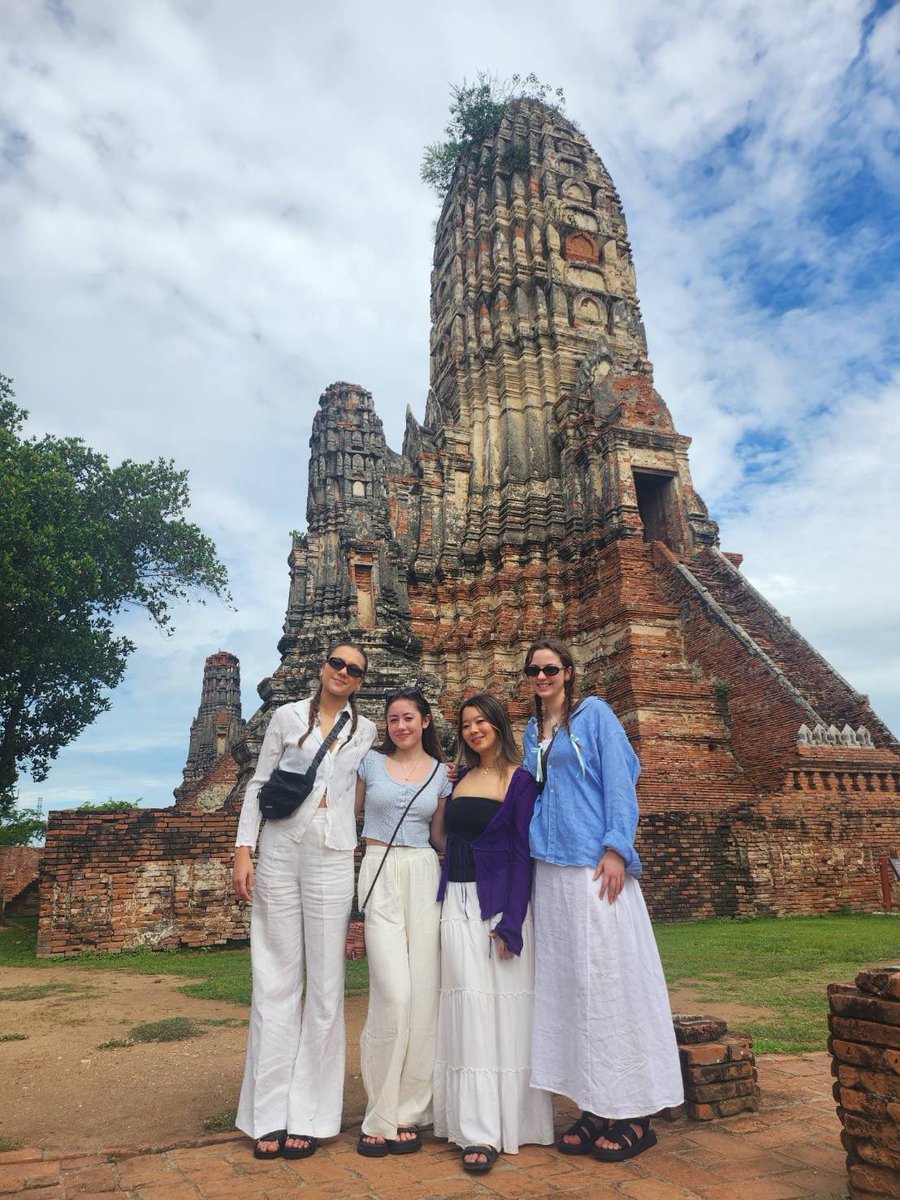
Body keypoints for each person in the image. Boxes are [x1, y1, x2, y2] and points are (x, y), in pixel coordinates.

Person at [522, 637, 684, 1163]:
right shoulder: (532, 731)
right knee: (570, 988)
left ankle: (632, 1110)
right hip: (550, 868)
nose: (542, 677)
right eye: (534, 671)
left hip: (594, 865)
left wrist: (618, 846)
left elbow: (622, 780)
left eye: (550, 669)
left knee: (611, 983)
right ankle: (594, 1104)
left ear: (569, 672)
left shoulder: (593, 715)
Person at [233, 642, 377, 1160]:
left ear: (360, 680)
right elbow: (258, 782)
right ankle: (267, 1114)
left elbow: (367, 790)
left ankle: (312, 1114)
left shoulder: (366, 730)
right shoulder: (287, 716)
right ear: (323, 667)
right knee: (274, 978)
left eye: (354, 669)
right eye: (337, 663)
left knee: (326, 987)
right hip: (279, 846)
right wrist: (243, 850)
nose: (343, 672)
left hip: (334, 851)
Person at [432, 694, 554, 1175]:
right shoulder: (460, 778)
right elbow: (442, 837)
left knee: (501, 1009)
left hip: (499, 905)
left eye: (482, 721)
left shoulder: (519, 780)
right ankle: (472, 1124)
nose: (473, 730)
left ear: (499, 725)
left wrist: (511, 921)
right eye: (465, 724)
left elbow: (524, 853)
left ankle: (502, 1125)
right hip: (455, 899)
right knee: (465, 1004)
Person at [353, 687, 451, 1156]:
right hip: (378, 867)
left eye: (408, 718)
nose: (401, 726)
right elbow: (345, 816)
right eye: (393, 719)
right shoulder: (369, 764)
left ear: (425, 721)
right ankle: (380, 1111)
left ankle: (411, 1110)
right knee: (393, 994)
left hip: (423, 871)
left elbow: (440, 835)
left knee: (424, 994)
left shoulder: (442, 774)